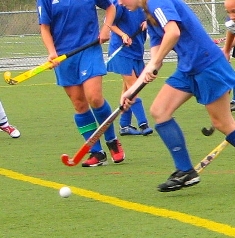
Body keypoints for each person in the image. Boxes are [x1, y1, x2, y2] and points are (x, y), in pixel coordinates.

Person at [119, 0, 235, 192]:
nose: (120, 2)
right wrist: (131, 91)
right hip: (187, 68)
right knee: (160, 111)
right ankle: (185, 171)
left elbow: (173, 32)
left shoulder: (157, 2)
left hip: (206, 65)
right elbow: (155, 60)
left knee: (223, 124)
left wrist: (155, 62)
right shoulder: (148, 16)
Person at [36, 0, 125, 167]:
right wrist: (52, 52)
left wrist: (106, 29)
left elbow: (111, 7)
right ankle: (96, 152)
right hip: (64, 56)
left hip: (88, 49)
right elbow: (45, 28)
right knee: (79, 104)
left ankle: (112, 140)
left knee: (95, 97)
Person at [107, 0, 153, 136]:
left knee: (127, 88)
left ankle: (124, 125)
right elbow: (110, 24)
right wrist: (123, 35)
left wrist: (148, 22)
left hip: (136, 50)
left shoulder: (144, 4)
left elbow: (152, 17)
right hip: (122, 51)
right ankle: (143, 124)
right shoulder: (120, 5)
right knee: (133, 85)